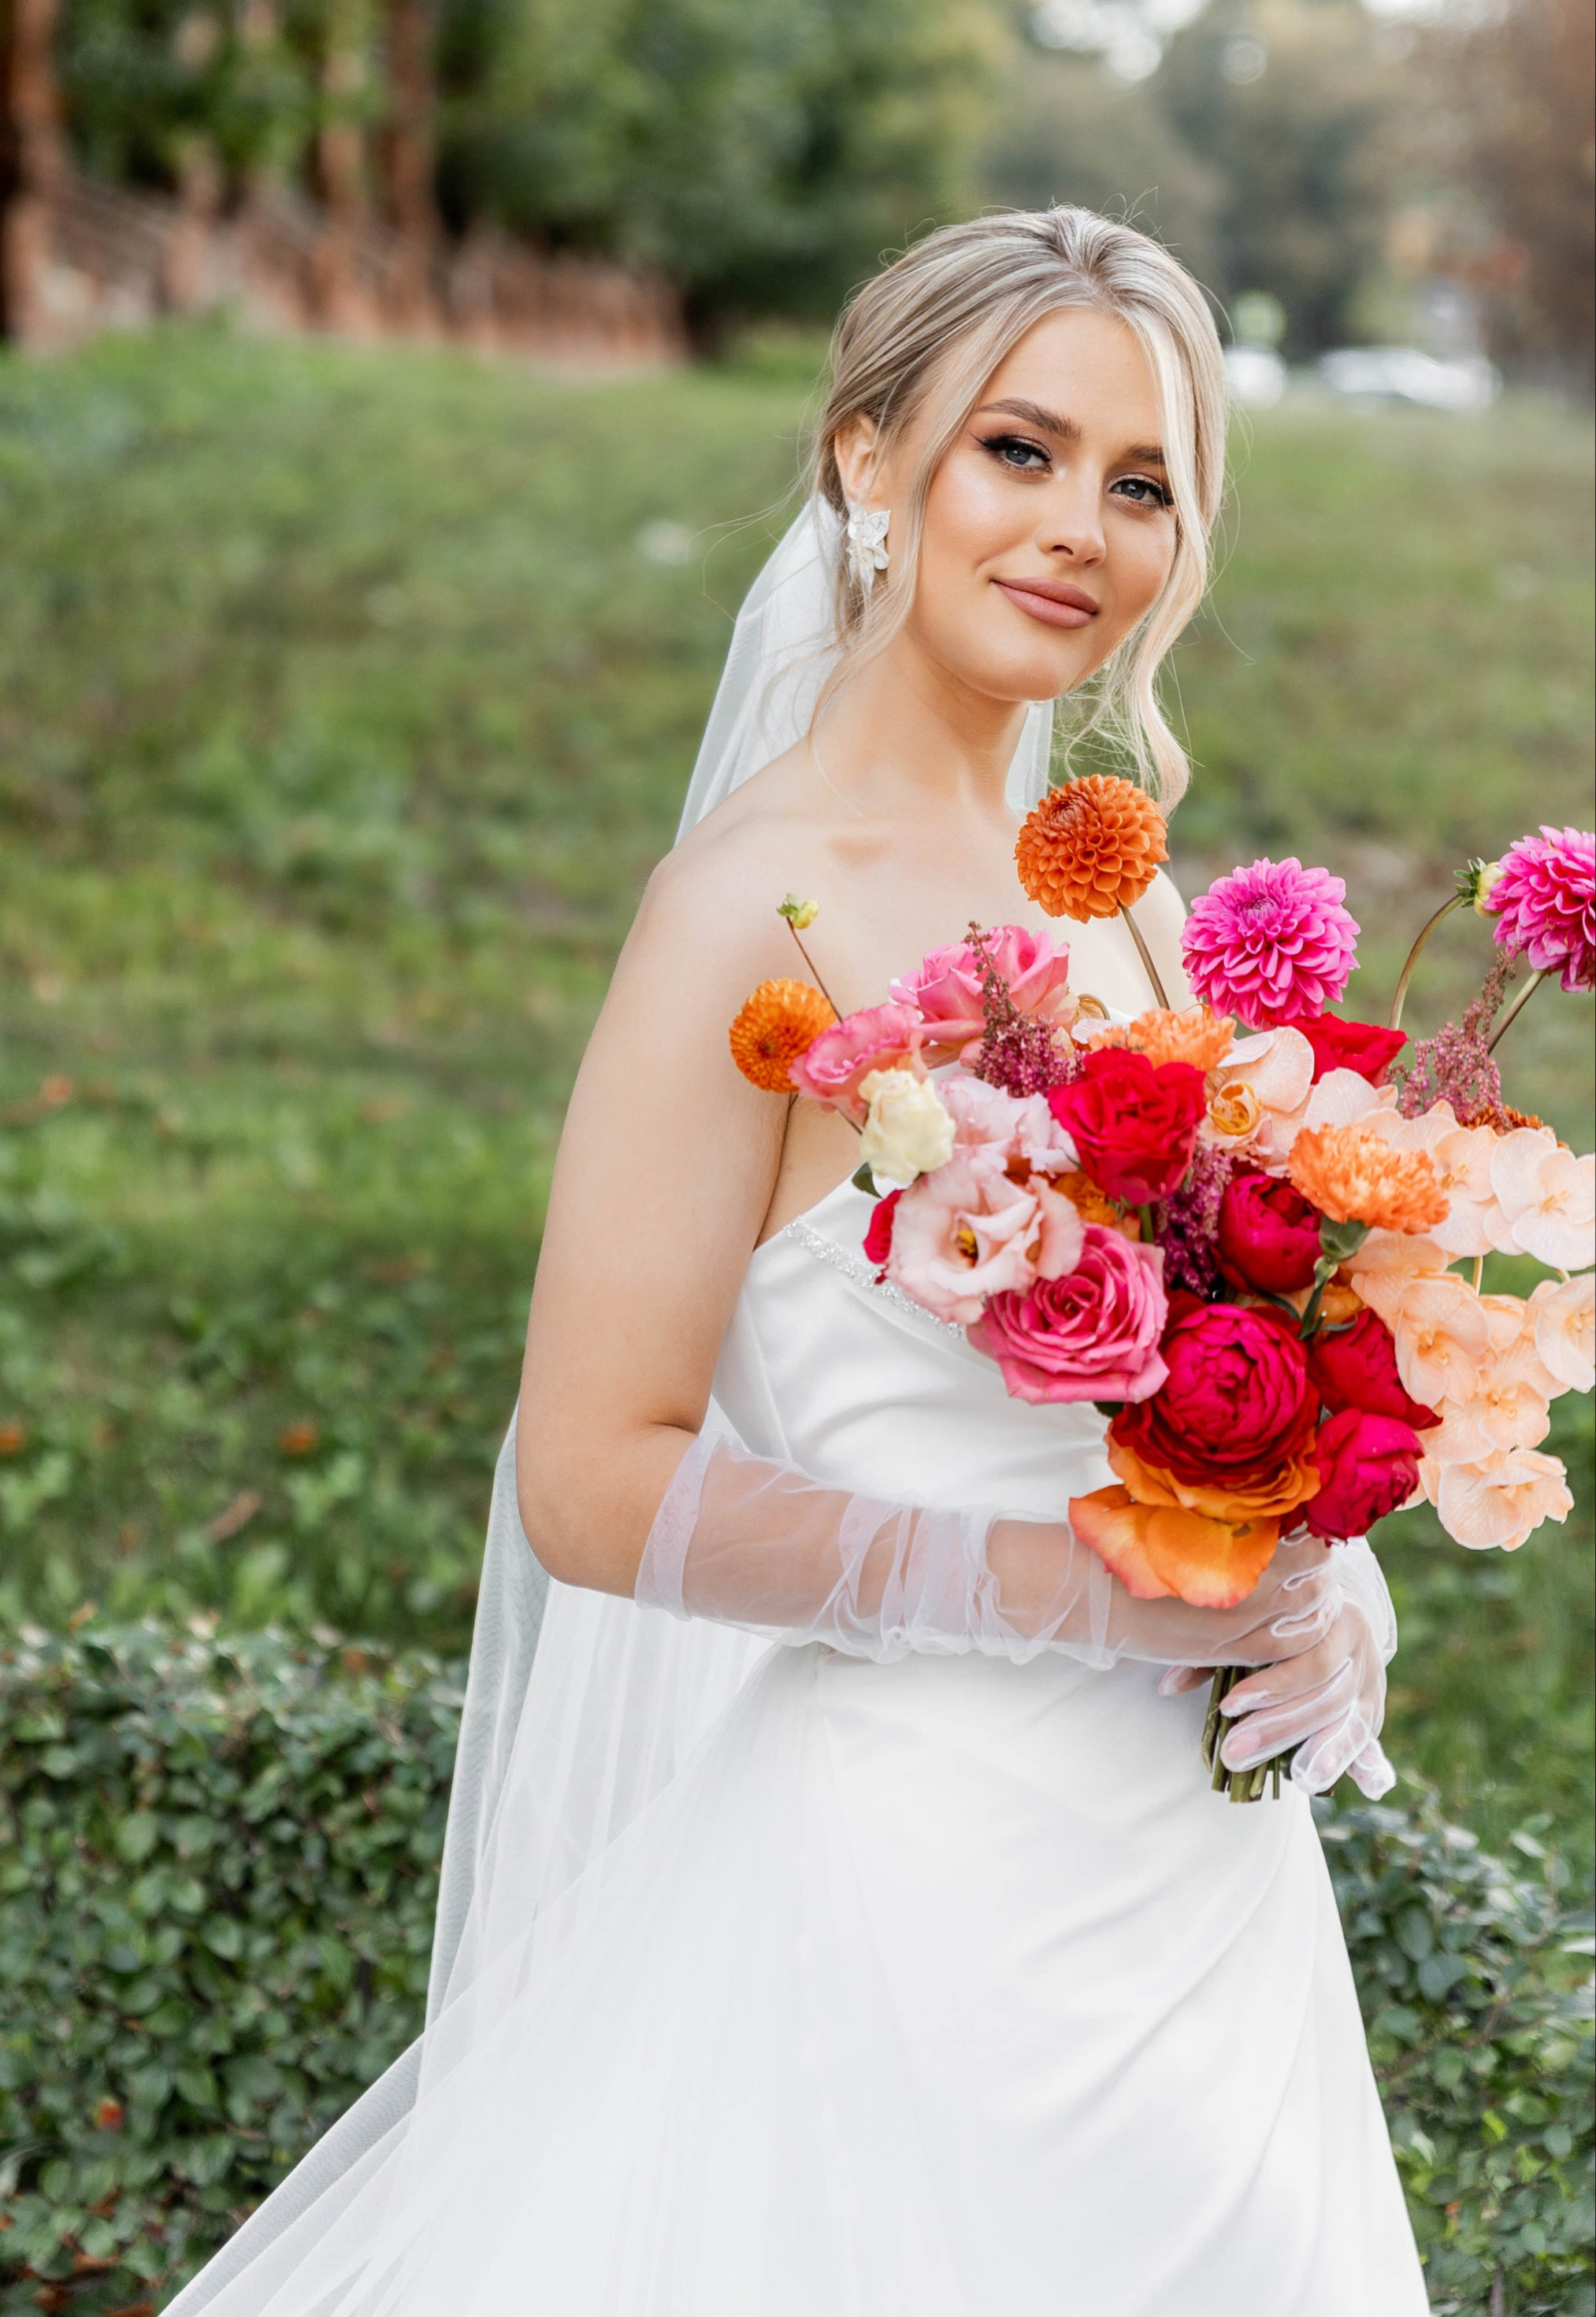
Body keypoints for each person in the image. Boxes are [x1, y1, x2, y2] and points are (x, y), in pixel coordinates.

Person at [167, 209, 1426, 2315]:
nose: (1078, 531)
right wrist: (1050, 1600)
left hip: (1198, 1910)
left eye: (1142, 483)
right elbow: (592, 1473)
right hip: (908, 1902)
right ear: (868, 460)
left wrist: (1326, 1563)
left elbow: (1221, 1351)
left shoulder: (1112, 896)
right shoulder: (747, 910)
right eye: (1017, 451)